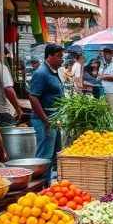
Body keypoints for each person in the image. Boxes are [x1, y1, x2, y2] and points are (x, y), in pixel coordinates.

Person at [29, 44, 66, 184]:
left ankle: (48, 186)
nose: (61, 60)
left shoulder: (53, 72)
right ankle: (41, 189)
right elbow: (33, 97)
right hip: (45, 121)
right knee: (44, 158)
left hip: (54, 120)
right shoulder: (41, 73)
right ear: (49, 56)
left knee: (53, 156)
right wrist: (45, 121)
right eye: (59, 56)